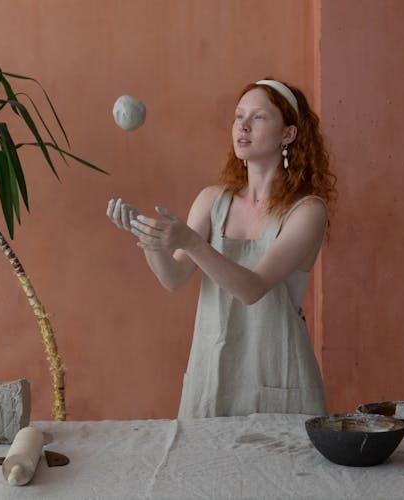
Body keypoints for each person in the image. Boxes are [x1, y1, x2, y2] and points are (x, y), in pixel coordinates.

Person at [106, 79, 337, 418]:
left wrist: (190, 241)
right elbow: (174, 278)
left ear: (288, 134)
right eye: (239, 115)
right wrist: (148, 236)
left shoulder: (307, 211)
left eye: (258, 117)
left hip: (279, 371)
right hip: (211, 374)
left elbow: (252, 288)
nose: (242, 125)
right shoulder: (212, 200)